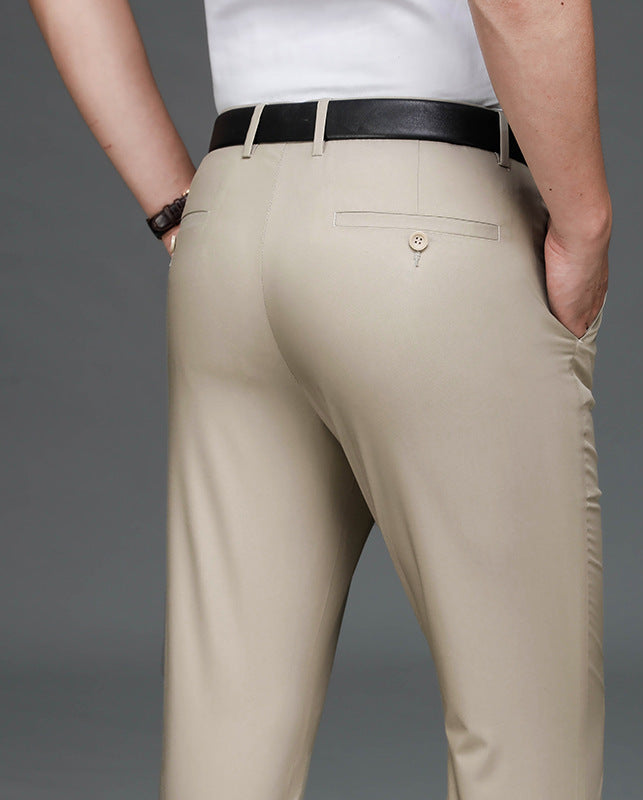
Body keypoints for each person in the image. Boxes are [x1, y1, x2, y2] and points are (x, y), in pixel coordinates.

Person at [29, 0, 612, 797]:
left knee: (227, 739)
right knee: (525, 734)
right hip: (430, 207)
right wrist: (585, 225)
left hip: (231, 216)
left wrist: (180, 207)